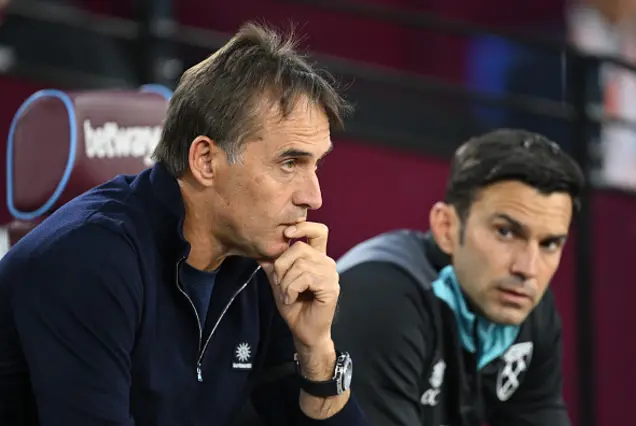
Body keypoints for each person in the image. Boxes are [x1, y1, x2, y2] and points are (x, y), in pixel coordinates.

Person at [0, 22, 367, 426]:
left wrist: (316, 350)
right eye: (289, 163)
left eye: (317, 165)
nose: (313, 197)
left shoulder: (264, 264)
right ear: (206, 161)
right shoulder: (88, 262)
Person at [332, 129, 584, 426]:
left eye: (549, 244)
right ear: (446, 227)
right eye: (505, 232)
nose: (528, 268)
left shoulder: (527, 308)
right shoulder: (381, 298)